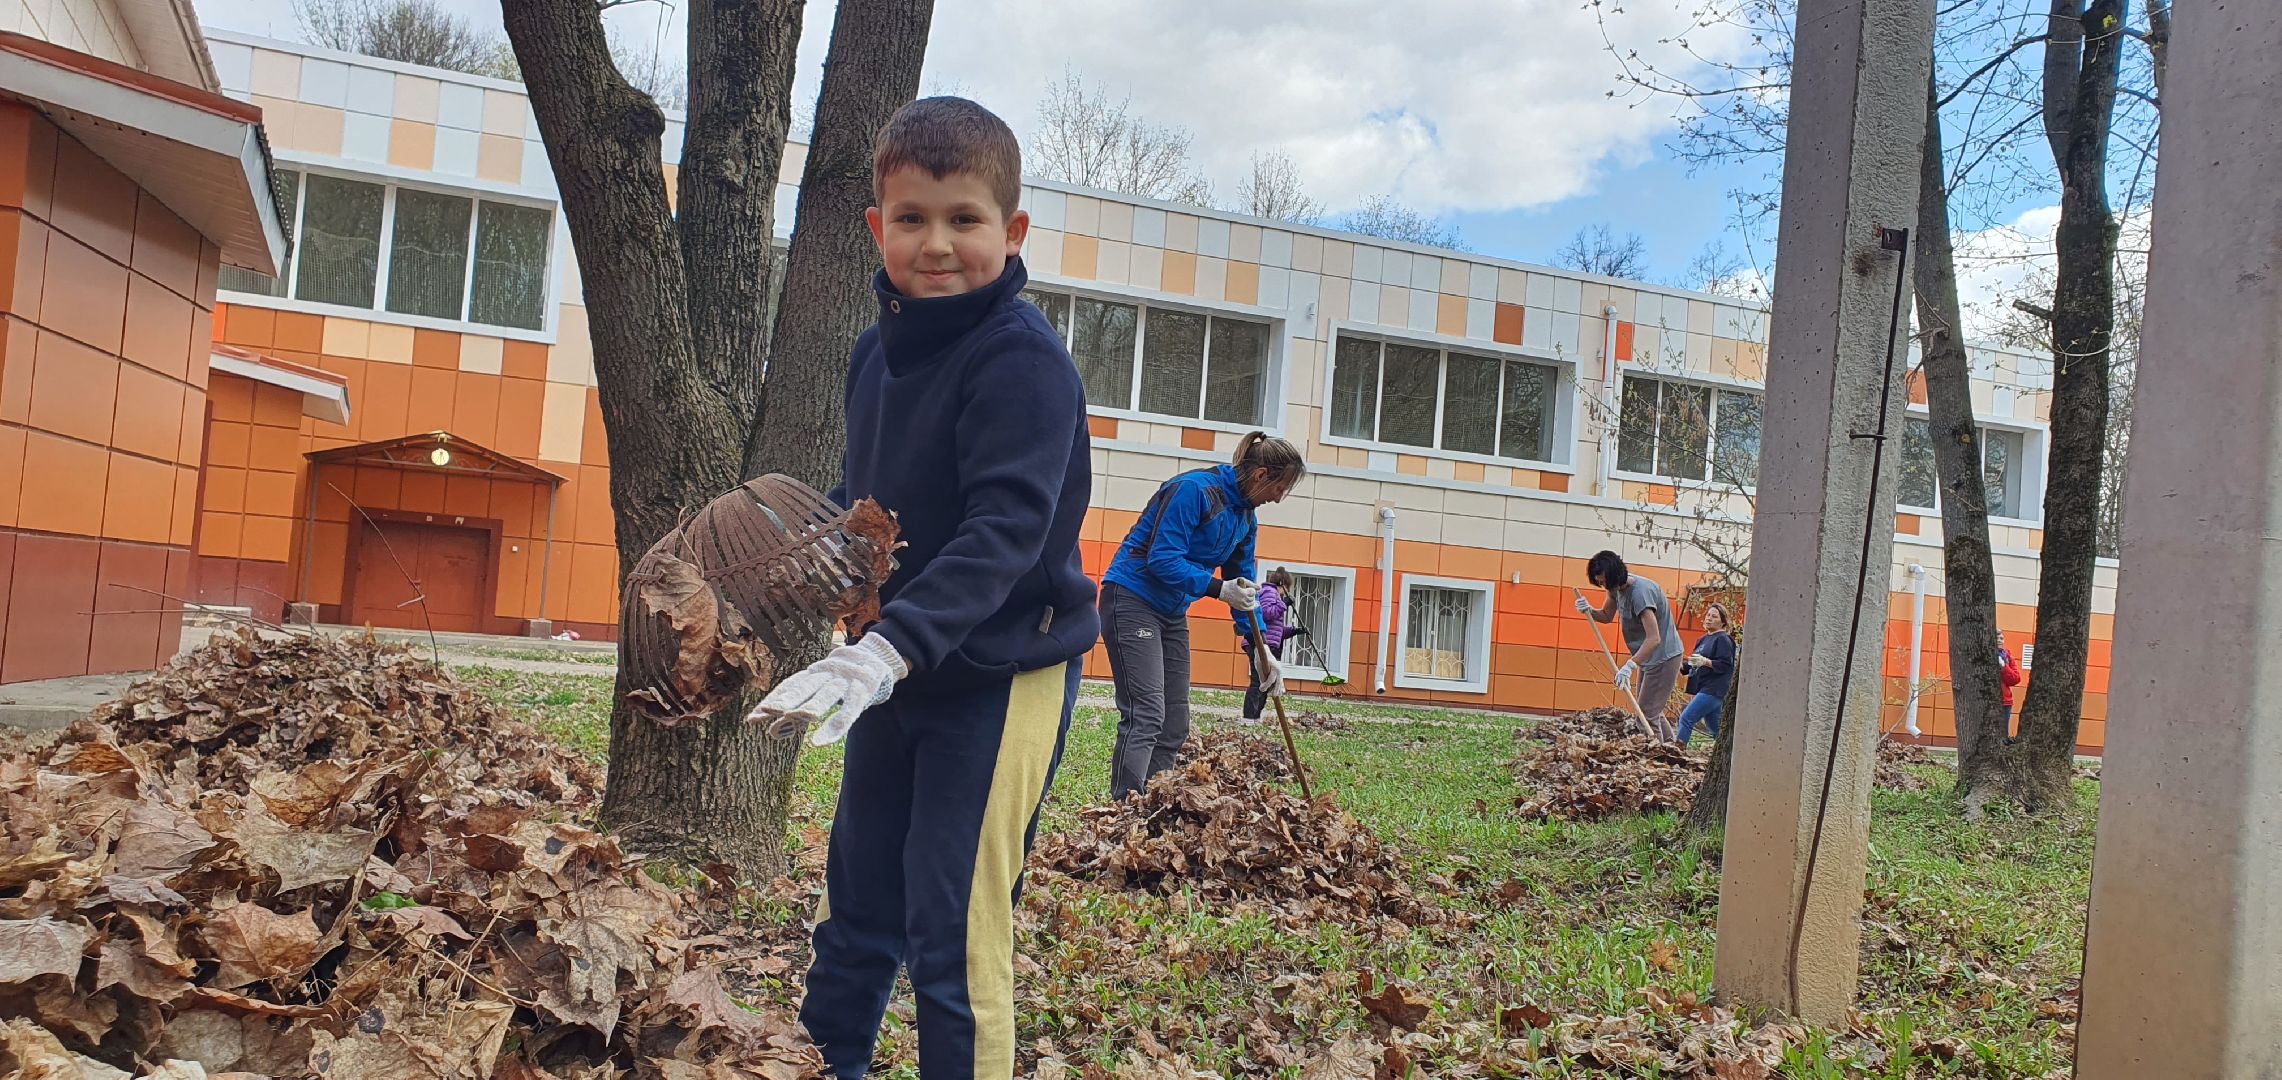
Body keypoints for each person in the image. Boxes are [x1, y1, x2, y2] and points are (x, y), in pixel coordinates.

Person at [744, 97, 1098, 1080]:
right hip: (885, 675)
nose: (935, 244)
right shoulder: (872, 357)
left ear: (1011, 230)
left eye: (963, 219)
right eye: (911, 218)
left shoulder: (1022, 364)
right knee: (855, 918)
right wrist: (800, 547)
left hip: (996, 675)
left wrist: (889, 647)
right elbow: (869, 506)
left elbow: (1003, 536)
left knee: (952, 935)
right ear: (876, 227)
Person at [1101, 433, 1306, 798]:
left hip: (1171, 612)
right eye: (1280, 487)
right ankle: (1122, 814)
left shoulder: (1246, 518)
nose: (1278, 497)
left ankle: (1153, 808)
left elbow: (1242, 589)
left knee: (1174, 724)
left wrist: (1261, 656)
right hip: (1132, 599)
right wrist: (1217, 589)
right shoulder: (1193, 490)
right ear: (1260, 475)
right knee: (1146, 714)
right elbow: (1161, 559)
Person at [1577, 551, 1684, 740]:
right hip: (1648, 657)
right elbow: (1606, 616)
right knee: (1652, 711)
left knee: (1646, 716)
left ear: (1614, 576)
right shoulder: (1616, 590)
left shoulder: (1640, 594)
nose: (1602, 586)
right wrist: (1589, 611)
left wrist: (1629, 666)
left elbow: (1654, 638)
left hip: (1664, 657)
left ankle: (1656, 762)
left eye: (1603, 582)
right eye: (1599, 583)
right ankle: (1672, 752)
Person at [1674, 601, 1738, 744]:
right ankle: (1726, 758)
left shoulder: (1723, 639)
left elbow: (1727, 665)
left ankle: (1676, 752)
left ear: (1723, 622)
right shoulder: (1702, 639)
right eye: (1708, 615)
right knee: (1716, 730)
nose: (1709, 618)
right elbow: (1693, 664)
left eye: (1714, 616)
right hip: (1703, 687)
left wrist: (1706, 662)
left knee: (1686, 718)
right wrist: (1677, 665)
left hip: (1714, 689)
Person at [1240, 568, 1296, 725]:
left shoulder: (1275, 595)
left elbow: (1276, 630)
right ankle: (1248, 718)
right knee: (1259, 681)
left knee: (1266, 683)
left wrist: (1294, 631)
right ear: (1282, 584)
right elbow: (1264, 614)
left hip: (1269, 642)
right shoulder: (1270, 592)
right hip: (1260, 643)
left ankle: (1255, 717)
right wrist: (1283, 605)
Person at [1999, 643, 2023, 734]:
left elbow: (2015, 679)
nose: (1999, 640)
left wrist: (2004, 667)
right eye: (1997, 638)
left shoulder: (2007, 657)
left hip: (2005, 702)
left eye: (2001, 638)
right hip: (1985, 700)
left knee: (2003, 733)